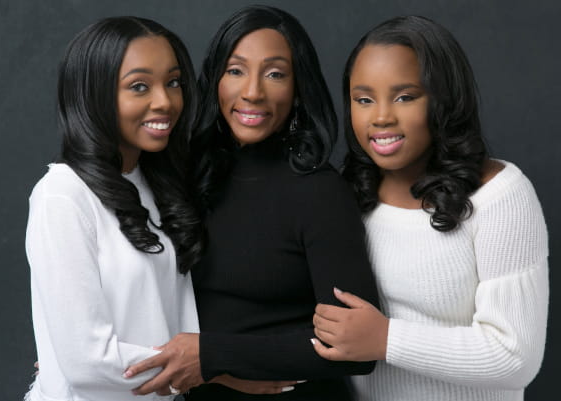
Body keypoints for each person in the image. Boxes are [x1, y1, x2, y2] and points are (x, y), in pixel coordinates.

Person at [123, 5, 379, 400]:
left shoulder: (320, 192)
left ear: (297, 90)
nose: (253, 91)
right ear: (215, 81)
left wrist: (214, 357)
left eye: (275, 74)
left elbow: (354, 352)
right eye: (236, 70)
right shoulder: (180, 173)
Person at [310, 16, 549, 401]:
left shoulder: (500, 195)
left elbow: (515, 356)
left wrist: (386, 338)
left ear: (444, 98)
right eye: (363, 99)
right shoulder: (346, 194)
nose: (381, 117)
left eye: (405, 96)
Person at [24, 16, 204, 401]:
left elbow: (180, 327)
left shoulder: (156, 186)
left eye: (173, 82)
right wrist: (215, 368)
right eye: (139, 86)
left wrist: (207, 363)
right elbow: (89, 364)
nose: (165, 101)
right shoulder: (62, 194)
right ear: (94, 95)